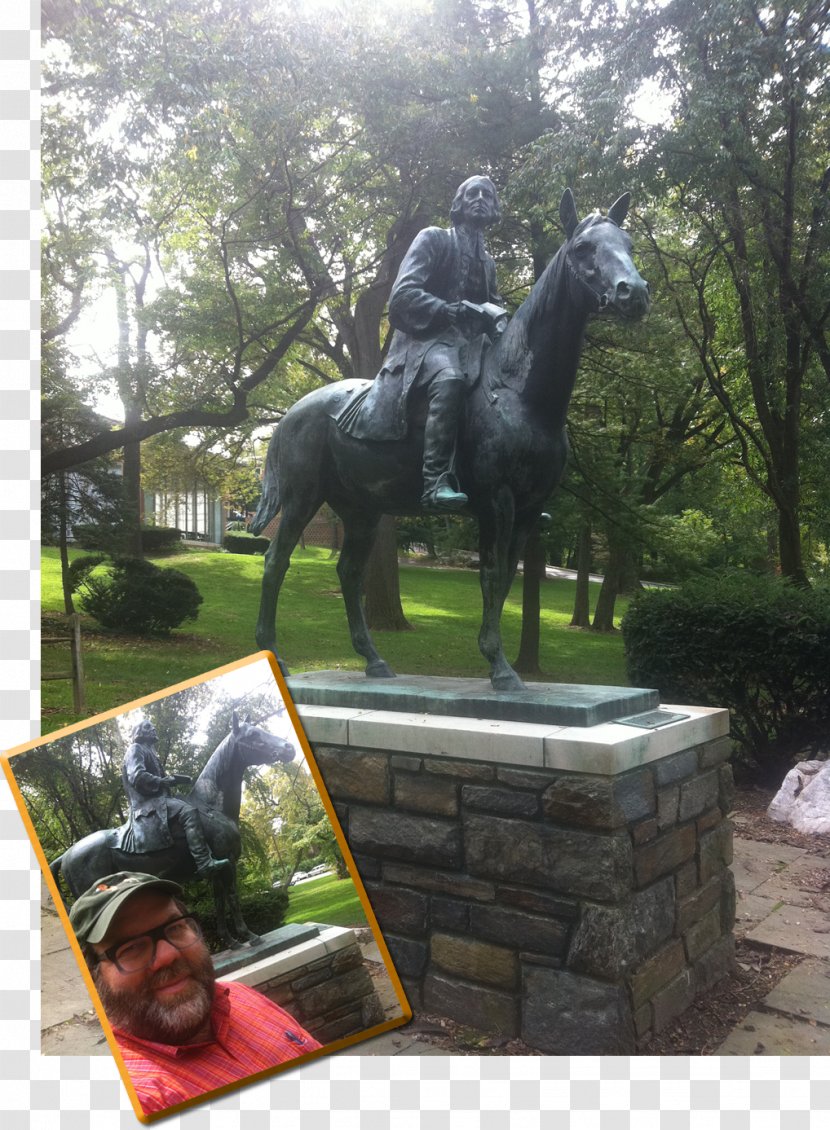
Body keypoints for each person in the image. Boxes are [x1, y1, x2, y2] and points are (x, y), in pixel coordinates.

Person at [69, 871, 322, 1115]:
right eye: (131, 947)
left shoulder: (241, 995)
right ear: (92, 975)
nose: (168, 955)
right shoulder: (139, 1096)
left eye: (175, 927)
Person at [338, 174, 505, 511]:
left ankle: (509, 482)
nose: (480, 198)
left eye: (487, 194)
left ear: (494, 208)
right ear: (458, 205)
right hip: (426, 341)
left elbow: (497, 306)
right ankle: (436, 481)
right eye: (471, 193)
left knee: (507, 389)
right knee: (450, 379)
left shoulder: (489, 264)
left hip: (473, 346)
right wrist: (448, 310)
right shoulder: (434, 239)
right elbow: (402, 296)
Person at [119, 719, 229, 878]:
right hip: (146, 805)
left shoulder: (150, 752)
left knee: (185, 803)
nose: (154, 729)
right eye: (149, 727)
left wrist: (171, 780)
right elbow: (137, 776)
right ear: (140, 732)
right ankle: (204, 862)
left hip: (158, 800)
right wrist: (163, 781)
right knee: (189, 811)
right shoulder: (135, 749)